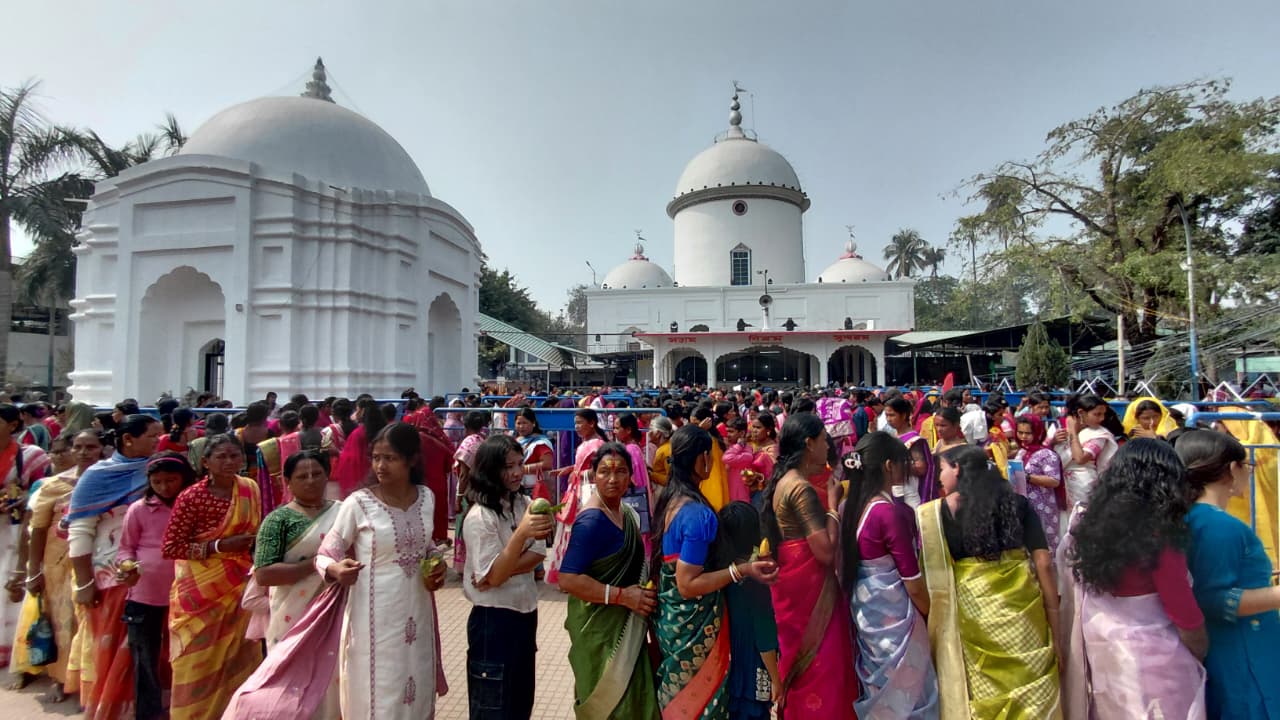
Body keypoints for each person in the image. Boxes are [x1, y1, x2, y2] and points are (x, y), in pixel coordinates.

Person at [1061, 438, 1207, 718]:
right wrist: (1200, 652)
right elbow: (1185, 614)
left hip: (1103, 648)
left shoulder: (1084, 522)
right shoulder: (1158, 533)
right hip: (1155, 660)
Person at [918, 445, 1061, 719]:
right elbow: (1043, 562)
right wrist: (1055, 626)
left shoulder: (936, 513)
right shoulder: (1017, 503)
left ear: (957, 468)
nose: (939, 477)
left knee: (983, 690)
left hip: (974, 615)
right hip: (1024, 614)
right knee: (1031, 689)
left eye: (943, 468)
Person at [316, 422, 448, 719]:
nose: (380, 465)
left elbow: (426, 547)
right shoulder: (358, 503)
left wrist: (437, 562)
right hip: (374, 616)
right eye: (376, 457)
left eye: (390, 458)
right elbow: (326, 554)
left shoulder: (426, 498)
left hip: (418, 608)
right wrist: (336, 569)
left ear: (411, 459)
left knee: (417, 678)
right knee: (381, 688)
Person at [651, 425, 777, 718]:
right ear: (702, 459)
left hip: (673, 625)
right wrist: (740, 570)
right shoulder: (697, 515)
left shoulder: (670, 500)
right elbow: (687, 584)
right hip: (695, 628)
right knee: (699, 704)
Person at [758, 413, 857, 718]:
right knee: (825, 668)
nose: (828, 445)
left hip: (796, 588)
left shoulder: (784, 481)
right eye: (825, 439)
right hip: (811, 594)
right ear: (809, 443)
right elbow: (825, 552)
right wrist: (832, 502)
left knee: (809, 673)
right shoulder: (800, 488)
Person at [161, 434, 263, 720]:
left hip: (239, 586)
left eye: (235, 456)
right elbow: (171, 547)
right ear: (206, 462)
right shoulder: (192, 497)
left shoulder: (250, 488)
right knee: (197, 657)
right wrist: (219, 546)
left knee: (238, 655)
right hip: (200, 592)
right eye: (221, 456)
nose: (229, 462)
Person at [1180, 430, 1280, 718]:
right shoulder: (1218, 525)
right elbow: (1212, 598)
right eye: (1246, 466)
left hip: (1233, 646)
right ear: (1230, 469)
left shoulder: (1198, 519)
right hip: (1245, 648)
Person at [839, 431, 939, 718]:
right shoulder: (888, 512)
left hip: (865, 610)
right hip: (894, 615)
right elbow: (912, 581)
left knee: (879, 683)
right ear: (887, 466)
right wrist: (930, 614)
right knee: (912, 689)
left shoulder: (849, 507)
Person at [65, 413, 158, 720]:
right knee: (116, 645)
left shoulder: (160, 471)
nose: (158, 442)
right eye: (151, 437)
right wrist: (83, 582)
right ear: (128, 440)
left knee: (151, 649)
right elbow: (80, 530)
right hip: (112, 574)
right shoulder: (97, 476)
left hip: (155, 575)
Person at [559, 443, 660, 719]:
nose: (613, 479)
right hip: (601, 635)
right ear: (593, 476)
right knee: (610, 706)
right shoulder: (591, 521)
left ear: (631, 476)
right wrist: (621, 596)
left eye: (621, 472)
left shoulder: (625, 513)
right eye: (604, 472)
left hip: (628, 627)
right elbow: (567, 579)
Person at [462, 435, 552, 717]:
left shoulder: (524, 503)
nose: (516, 473)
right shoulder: (480, 517)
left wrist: (494, 572)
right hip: (493, 620)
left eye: (519, 464)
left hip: (524, 615)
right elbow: (501, 571)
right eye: (507, 466)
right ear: (490, 470)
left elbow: (538, 556)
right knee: (492, 705)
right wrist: (521, 535)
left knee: (519, 702)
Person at [116, 452, 196, 720]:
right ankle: (148, 713)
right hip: (144, 594)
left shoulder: (194, 505)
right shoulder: (138, 509)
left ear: (184, 478)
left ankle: (186, 707)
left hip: (187, 592)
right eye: (157, 481)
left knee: (187, 654)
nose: (164, 487)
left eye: (171, 480)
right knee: (144, 658)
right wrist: (127, 567)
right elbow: (126, 548)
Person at [15, 431, 83, 701]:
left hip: (99, 562)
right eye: (77, 447)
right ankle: (60, 678)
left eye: (91, 447)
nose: (82, 452)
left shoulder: (106, 481)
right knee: (61, 620)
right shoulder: (52, 485)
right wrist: (31, 571)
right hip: (57, 563)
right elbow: (36, 529)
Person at [716, 501, 780, 720]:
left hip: (728, 666)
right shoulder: (756, 578)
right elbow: (764, 634)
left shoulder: (720, 575)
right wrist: (776, 679)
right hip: (752, 665)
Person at [546, 408, 607, 584]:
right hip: (577, 493)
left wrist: (579, 475)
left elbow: (599, 470)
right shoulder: (587, 442)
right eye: (575, 423)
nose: (577, 427)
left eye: (580, 423)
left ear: (592, 423)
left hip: (586, 495)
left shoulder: (598, 445)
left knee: (580, 532)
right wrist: (570, 470)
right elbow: (583, 465)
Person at [1014, 415, 1064, 555]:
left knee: (1044, 545)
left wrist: (1028, 477)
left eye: (1028, 433)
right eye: (1020, 432)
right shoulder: (1022, 452)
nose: (1023, 436)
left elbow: (1054, 480)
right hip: (1025, 505)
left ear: (1038, 433)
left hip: (1043, 508)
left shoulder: (1046, 455)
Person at [1062, 394, 1118, 507]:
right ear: (1081, 413)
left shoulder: (1099, 435)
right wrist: (1054, 441)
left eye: (1103, 414)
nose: (1102, 418)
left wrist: (1072, 431)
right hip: (1063, 484)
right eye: (1097, 414)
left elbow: (1080, 458)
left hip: (1083, 483)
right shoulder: (1063, 432)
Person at [452, 410, 489, 574]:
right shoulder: (483, 442)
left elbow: (463, 474)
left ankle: (466, 566)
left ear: (465, 426)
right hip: (482, 491)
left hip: (468, 493)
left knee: (465, 528)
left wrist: (459, 499)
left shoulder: (468, 443)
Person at [330, 397, 386, 498]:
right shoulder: (385, 430)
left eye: (357, 409)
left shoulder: (359, 434)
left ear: (362, 411)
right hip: (383, 474)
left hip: (364, 479)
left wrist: (336, 452)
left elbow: (351, 459)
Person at [885, 397, 935, 508]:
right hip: (895, 490)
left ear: (903, 416)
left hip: (910, 493)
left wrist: (896, 466)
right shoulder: (893, 437)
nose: (888, 419)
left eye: (892, 415)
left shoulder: (913, 440)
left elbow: (921, 468)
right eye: (886, 415)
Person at [646, 416, 674, 487]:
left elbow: (671, 480)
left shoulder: (667, 450)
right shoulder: (663, 448)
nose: (648, 432)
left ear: (658, 433)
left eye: (650, 429)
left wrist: (651, 475)